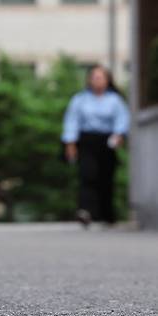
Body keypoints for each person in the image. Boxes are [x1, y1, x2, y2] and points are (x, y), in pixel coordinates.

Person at [62, 65, 130, 226]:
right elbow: (72, 121)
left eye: (101, 77)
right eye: (94, 77)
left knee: (106, 177)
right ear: (89, 80)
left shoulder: (115, 100)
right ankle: (85, 211)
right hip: (86, 141)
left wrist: (119, 135)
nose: (97, 80)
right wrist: (70, 143)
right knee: (87, 174)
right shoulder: (80, 99)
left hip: (107, 142)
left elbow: (122, 120)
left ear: (108, 80)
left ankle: (107, 214)